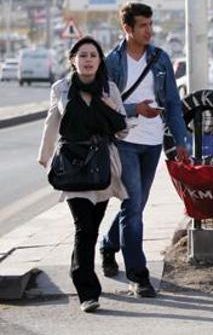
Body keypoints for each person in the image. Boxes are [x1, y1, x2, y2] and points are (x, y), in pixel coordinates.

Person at [100, 2, 189, 298]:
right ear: (127, 29)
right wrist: (134, 109)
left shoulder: (160, 58)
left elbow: (174, 104)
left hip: (152, 144)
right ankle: (139, 276)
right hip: (124, 140)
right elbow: (105, 105)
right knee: (133, 208)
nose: (149, 30)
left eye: (151, 24)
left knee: (134, 206)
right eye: (142, 26)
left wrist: (180, 141)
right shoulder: (112, 62)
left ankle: (108, 244)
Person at [37, 36, 128, 313]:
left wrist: (108, 105)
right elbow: (52, 121)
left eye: (93, 55)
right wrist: (45, 157)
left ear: (100, 61)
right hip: (73, 165)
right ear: (73, 60)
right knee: (83, 227)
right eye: (83, 55)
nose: (88, 59)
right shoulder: (61, 88)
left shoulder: (109, 88)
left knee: (91, 229)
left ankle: (80, 269)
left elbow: (122, 129)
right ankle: (87, 291)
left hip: (101, 165)